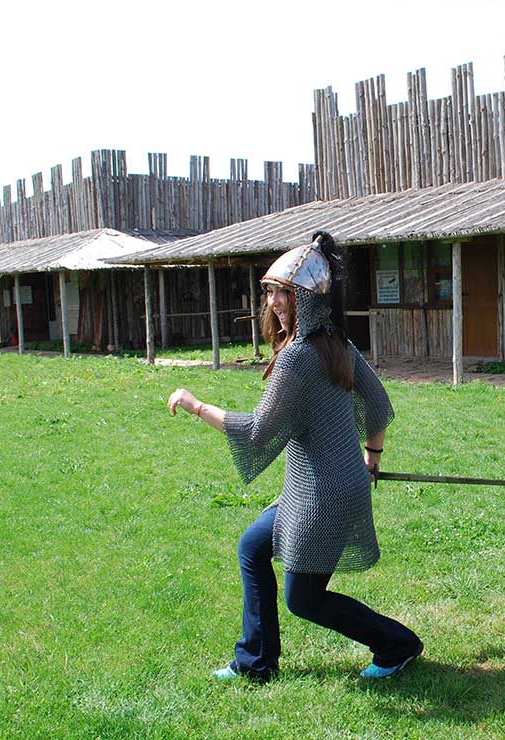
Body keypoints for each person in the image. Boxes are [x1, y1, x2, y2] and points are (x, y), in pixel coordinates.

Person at [167, 231, 423, 680]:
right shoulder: (338, 345)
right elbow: (377, 403)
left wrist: (196, 405)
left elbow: (257, 432)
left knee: (304, 600)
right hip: (326, 485)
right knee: (253, 547)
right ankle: (256, 661)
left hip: (324, 495)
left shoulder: (299, 357)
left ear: (308, 299)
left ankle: (397, 644)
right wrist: (372, 456)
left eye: (283, 293)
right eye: (270, 292)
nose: (275, 303)